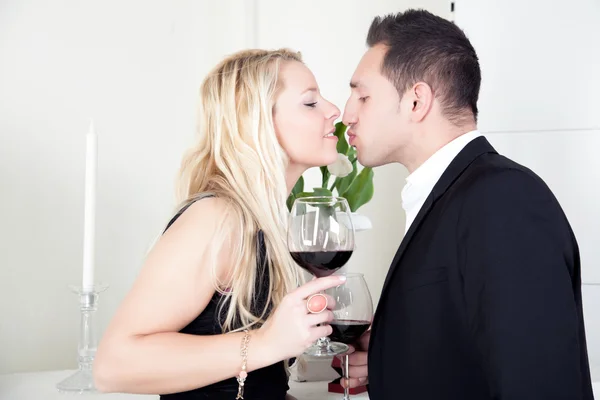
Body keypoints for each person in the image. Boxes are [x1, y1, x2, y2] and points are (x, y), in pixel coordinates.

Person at [340, 9, 594, 400]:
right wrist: (392, 356)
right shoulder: (456, 195)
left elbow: (538, 383)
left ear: (416, 101)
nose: (347, 114)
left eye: (362, 95)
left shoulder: (503, 201)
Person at [93, 48, 347, 400]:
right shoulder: (218, 218)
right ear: (255, 119)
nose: (334, 110)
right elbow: (113, 366)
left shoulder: (268, 223)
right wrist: (265, 342)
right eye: (310, 102)